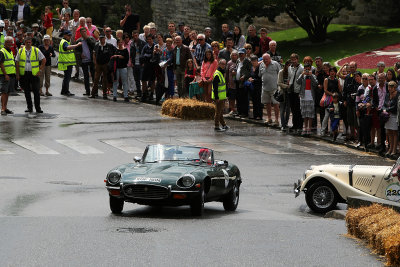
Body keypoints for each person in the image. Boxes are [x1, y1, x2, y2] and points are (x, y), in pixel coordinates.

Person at [16, 37, 46, 113]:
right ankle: (29, 108)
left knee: (36, 91)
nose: (28, 44)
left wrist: (40, 70)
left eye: (30, 42)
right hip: (24, 74)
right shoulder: (20, 51)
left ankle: (38, 108)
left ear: (31, 43)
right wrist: (18, 74)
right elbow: (17, 62)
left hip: (34, 74)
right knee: (26, 92)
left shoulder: (36, 50)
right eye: (27, 42)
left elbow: (43, 60)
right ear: (24, 43)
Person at [90, 34, 115, 99]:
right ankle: (93, 93)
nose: (102, 40)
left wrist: (110, 62)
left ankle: (104, 94)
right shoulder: (97, 45)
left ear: (105, 38)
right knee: (96, 79)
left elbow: (114, 53)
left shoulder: (109, 46)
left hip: (106, 64)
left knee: (105, 80)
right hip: (98, 64)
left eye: (103, 38)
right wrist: (95, 63)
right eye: (100, 38)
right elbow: (94, 54)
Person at [259, 53, 281, 125]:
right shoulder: (261, 64)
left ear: (270, 59)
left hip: (274, 88)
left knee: (275, 104)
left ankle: (277, 120)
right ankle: (269, 118)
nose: (265, 61)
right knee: (267, 103)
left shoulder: (275, 64)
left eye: (266, 59)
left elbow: (280, 73)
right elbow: (260, 74)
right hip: (264, 88)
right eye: (264, 59)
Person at [297, 64, 318, 135]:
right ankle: (305, 127)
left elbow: (315, 83)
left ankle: (309, 127)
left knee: (310, 113)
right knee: (304, 112)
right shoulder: (302, 76)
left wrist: (311, 75)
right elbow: (298, 82)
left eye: (308, 69)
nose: (307, 70)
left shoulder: (313, 76)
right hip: (303, 96)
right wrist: (302, 74)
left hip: (311, 96)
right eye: (305, 69)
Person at [58, 30, 81, 96]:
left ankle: (63, 90)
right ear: (64, 35)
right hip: (67, 62)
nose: (70, 36)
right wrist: (77, 45)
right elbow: (67, 48)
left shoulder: (65, 41)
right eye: (68, 35)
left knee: (66, 77)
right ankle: (66, 91)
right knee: (67, 78)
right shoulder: (64, 42)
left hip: (67, 62)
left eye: (70, 35)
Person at [321, 67, 341, 135]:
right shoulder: (326, 80)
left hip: (335, 100)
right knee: (326, 116)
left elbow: (340, 90)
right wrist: (332, 94)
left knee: (335, 116)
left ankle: (333, 131)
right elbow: (325, 90)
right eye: (331, 71)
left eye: (333, 71)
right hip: (328, 100)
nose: (332, 73)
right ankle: (323, 131)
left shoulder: (337, 80)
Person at [76, 27, 95, 96]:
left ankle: (94, 91)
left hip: (91, 60)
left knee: (93, 76)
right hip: (84, 61)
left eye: (85, 31)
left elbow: (94, 45)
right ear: (80, 33)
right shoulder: (79, 41)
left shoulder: (91, 38)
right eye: (82, 32)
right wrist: (80, 54)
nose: (84, 33)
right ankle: (87, 91)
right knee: (86, 77)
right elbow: (76, 50)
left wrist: (87, 38)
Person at [343, 70, 362, 141]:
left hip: (357, 105)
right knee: (350, 120)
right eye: (355, 76)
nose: (356, 78)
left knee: (356, 121)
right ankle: (352, 134)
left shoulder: (361, 85)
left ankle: (358, 136)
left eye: (357, 76)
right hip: (350, 103)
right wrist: (345, 99)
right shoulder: (351, 83)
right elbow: (346, 90)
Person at [288, 53, 304, 133]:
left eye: (295, 59)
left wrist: (301, 93)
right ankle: (294, 125)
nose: (293, 61)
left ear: (297, 59)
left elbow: (302, 82)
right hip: (291, 91)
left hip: (298, 91)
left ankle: (299, 126)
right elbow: (289, 78)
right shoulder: (290, 68)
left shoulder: (301, 68)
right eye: (292, 59)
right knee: (293, 109)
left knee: (298, 110)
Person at [0, 37, 16, 115]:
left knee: (8, 92)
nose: (10, 44)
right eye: (8, 42)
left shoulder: (10, 51)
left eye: (11, 42)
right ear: (5, 43)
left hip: (11, 74)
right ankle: (2, 108)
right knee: (4, 92)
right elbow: (1, 64)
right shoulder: (2, 51)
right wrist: (5, 74)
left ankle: (5, 107)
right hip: (5, 75)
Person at [212, 59, 229, 131]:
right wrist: (216, 97)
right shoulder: (217, 74)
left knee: (220, 111)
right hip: (218, 97)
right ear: (219, 64)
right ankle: (216, 126)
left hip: (221, 96)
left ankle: (224, 125)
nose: (223, 65)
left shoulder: (221, 73)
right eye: (222, 64)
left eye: (224, 64)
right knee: (218, 112)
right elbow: (215, 87)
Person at [383, 81, 399, 157]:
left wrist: (387, 110)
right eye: (389, 87)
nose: (389, 89)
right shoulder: (387, 95)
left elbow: (396, 106)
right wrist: (384, 109)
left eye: (391, 87)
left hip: (394, 115)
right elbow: (384, 103)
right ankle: (390, 148)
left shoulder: (397, 95)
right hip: (388, 116)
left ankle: (394, 149)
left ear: (394, 88)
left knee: (394, 132)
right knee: (389, 132)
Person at [236, 48, 252, 117]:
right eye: (239, 53)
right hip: (237, 81)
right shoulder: (238, 60)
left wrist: (244, 76)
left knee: (244, 98)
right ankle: (239, 112)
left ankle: (245, 113)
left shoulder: (247, 61)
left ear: (245, 54)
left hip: (244, 82)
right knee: (238, 97)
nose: (240, 55)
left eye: (242, 53)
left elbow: (250, 71)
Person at [140, 34, 156, 102]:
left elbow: (155, 56)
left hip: (152, 66)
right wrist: (143, 62)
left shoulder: (155, 46)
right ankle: (144, 93)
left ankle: (151, 94)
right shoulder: (145, 47)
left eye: (150, 39)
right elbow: (142, 56)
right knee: (143, 80)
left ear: (153, 39)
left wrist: (148, 56)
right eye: (148, 39)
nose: (149, 41)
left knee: (152, 80)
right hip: (146, 65)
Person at [130, 30, 146, 98]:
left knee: (142, 79)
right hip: (135, 63)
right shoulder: (132, 44)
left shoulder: (143, 43)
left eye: (136, 35)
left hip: (141, 63)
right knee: (136, 79)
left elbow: (145, 53)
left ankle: (144, 93)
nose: (135, 37)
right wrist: (132, 62)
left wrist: (143, 62)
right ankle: (139, 92)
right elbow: (131, 54)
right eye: (134, 35)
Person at [277, 60, 291, 131]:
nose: (289, 67)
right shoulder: (281, 72)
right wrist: (286, 86)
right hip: (283, 93)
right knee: (282, 109)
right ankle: (283, 125)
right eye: (288, 65)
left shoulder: (292, 73)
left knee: (288, 110)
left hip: (289, 93)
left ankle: (286, 123)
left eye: (290, 65)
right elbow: (279, 83)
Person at [248, 55, 263, 120]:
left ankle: (259, 115)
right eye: (252, 61)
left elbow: (262, 78)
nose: (253, 62)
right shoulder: (251, 68)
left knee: (259, 102)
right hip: (253, 87)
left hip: (259, 87)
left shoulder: (260, 68)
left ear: (257, 61)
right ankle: (255, 115)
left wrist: (254, 80)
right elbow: (250, 75)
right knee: (254, 101)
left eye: (255, 61)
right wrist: (250, 78)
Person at [226, 50, 238, 115]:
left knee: (238, 97)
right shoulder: (229, 63)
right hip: (231, 84)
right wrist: (226, 82)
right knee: (231, 98)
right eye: (233, 55)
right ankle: (232, 109)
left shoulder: (239, 62)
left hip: (238, 83)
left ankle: (237, 109)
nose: (234, 56)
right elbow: (227, 73)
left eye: (235, 55)